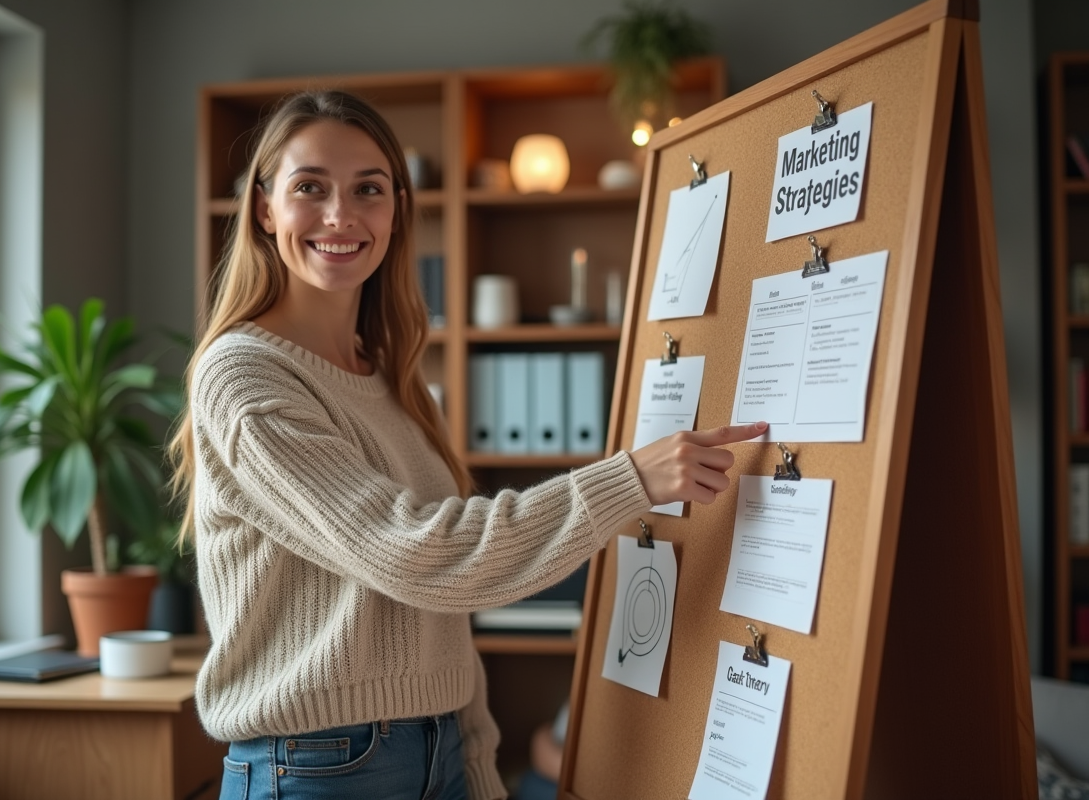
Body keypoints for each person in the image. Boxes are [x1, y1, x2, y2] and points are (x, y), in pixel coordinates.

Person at [168, 89, 766, 800]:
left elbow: (440, 613)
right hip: (314, 771)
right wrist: (629, 481)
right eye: (310, 188)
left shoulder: (388, 378)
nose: (341, 215)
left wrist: (476, 763)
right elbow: (417, 553)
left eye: (368, 189)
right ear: (265, 210)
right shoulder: (243, 374)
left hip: (438, 751)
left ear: (396, 210)